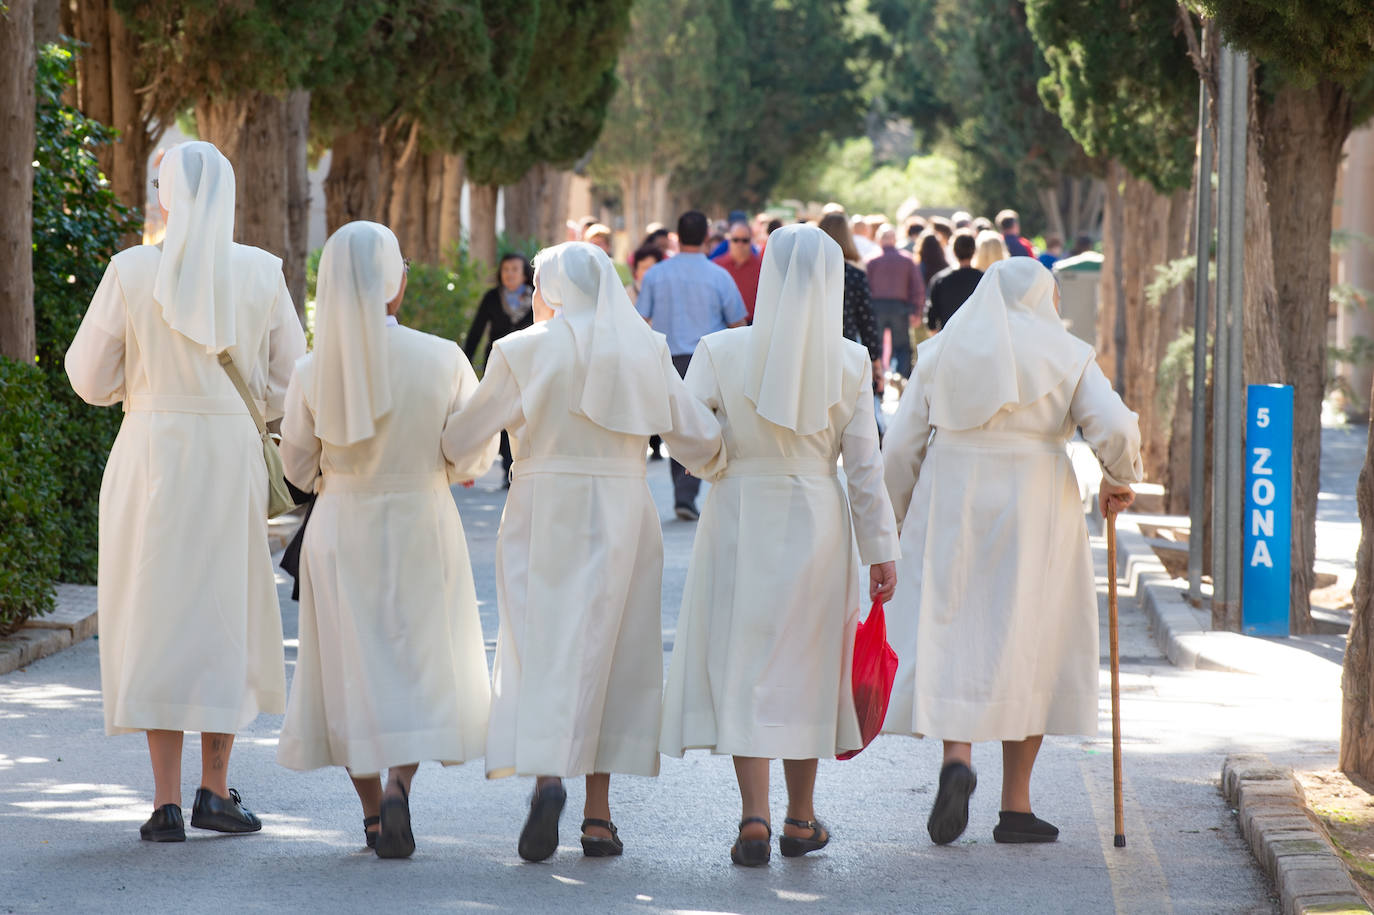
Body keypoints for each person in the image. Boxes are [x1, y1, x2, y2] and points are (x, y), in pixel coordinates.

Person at [440, 241, 726, 862]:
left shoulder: (519, 349)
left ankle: (548, 778)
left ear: (553, 289)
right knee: (615, 648)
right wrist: (729, 460)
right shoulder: (645, 348)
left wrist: (447, 458)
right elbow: (693, 435)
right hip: (624, 508)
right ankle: (598, 818)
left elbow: (465, 435)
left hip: (544, 508)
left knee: (545, 643)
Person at [65, 140, 307, 842]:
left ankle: (165, 800)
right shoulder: (262, 272)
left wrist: (140, 391)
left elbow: (86, 375)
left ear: (167, 195)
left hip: (150, 454)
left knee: (156, 611)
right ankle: (215, 788)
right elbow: (291, 382)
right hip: (228, 455)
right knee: (222, 609)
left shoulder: (132, 270)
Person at [660, 224, 900, 867]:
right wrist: (882, 549)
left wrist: (718, 465)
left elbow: (681, 430)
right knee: (810, 664)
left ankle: (754, 819)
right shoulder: (850, 361)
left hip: (740, 513)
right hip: (818, 521)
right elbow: (865, 467)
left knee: (749, 661)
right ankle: (800, 817)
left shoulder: (718, 349)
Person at [880, 258, 1141, 847]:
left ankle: (956, 759)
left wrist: (890, 521)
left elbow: (898, 450)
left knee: (957, 631)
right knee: (1030, 637)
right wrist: (1118, 476)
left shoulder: (939, 353)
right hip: (1035, 503)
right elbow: (1117, 430)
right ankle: (1016, 807)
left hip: (952, 498)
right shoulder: (1067, 353)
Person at [275, 222, 497, 858]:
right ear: (397, 283)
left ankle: (373, 815)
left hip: (344, 521)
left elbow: (295, 465)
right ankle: (403, 781)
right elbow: (473, 454)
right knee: (418, 660)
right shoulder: (443, 357)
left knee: (353, 669)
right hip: (423, 517)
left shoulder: (314, 369)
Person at [635, 210, 749, 520]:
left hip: (667, 359)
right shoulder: (719, 276)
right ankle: (707, 487)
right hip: (710, 360)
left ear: (678, 234)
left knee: (678, 427)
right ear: (705, 238)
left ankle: (683, 494)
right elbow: (739, 322)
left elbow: (640, 320)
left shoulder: (657, 274)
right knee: (715, 424)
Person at [464, 253, 534, 482]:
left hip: (529, 362)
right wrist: (465, 361)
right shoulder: (492, 297)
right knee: (504, 415)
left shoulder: (536, 296)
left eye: (515, 269)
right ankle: (508, 469)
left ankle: (526, 462)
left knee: (526, 413)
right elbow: (476, 331)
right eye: (505, 269)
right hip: (499, 363)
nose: (509, 274)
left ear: (524, 273)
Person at [865, 224, 925, 378]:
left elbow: (865, 288)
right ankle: (901, 378)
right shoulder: (906, 259)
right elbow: (917, 287)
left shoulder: (871, 261)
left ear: (879, 239)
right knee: (902, 347)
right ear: (894, 239)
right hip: (900, 308)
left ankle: (875, 380)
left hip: (876, 307)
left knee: (874, 346)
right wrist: (916, 310)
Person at [926, 230, 983, 332]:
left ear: (953, 251)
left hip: (950, 339)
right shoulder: (983, 279)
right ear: (974, 251)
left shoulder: (940, 280)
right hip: (977, 338)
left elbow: (932, 319)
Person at [712, 221, 764, 320]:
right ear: (729, 241)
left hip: (752, 325)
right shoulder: (717, 265)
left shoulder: (762, 267)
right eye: (736, 240)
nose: (740, 244)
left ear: (751, 241)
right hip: (722, 325)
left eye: (744, 240)